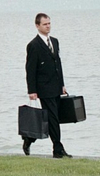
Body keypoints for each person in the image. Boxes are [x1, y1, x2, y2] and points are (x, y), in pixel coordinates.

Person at [23, 13, 72, 158]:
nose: (48, 26)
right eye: (45, 24)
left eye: (49, 23)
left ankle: (29, 138)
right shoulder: (33, 45)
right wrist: (32, 90)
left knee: (52, 118)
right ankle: (58, 149)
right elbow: (30, 69)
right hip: (43, 87)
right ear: (37, 26)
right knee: (52, 118)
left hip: (56, 86)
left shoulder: (55, 42)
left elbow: (58, 64)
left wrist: (62, 84)